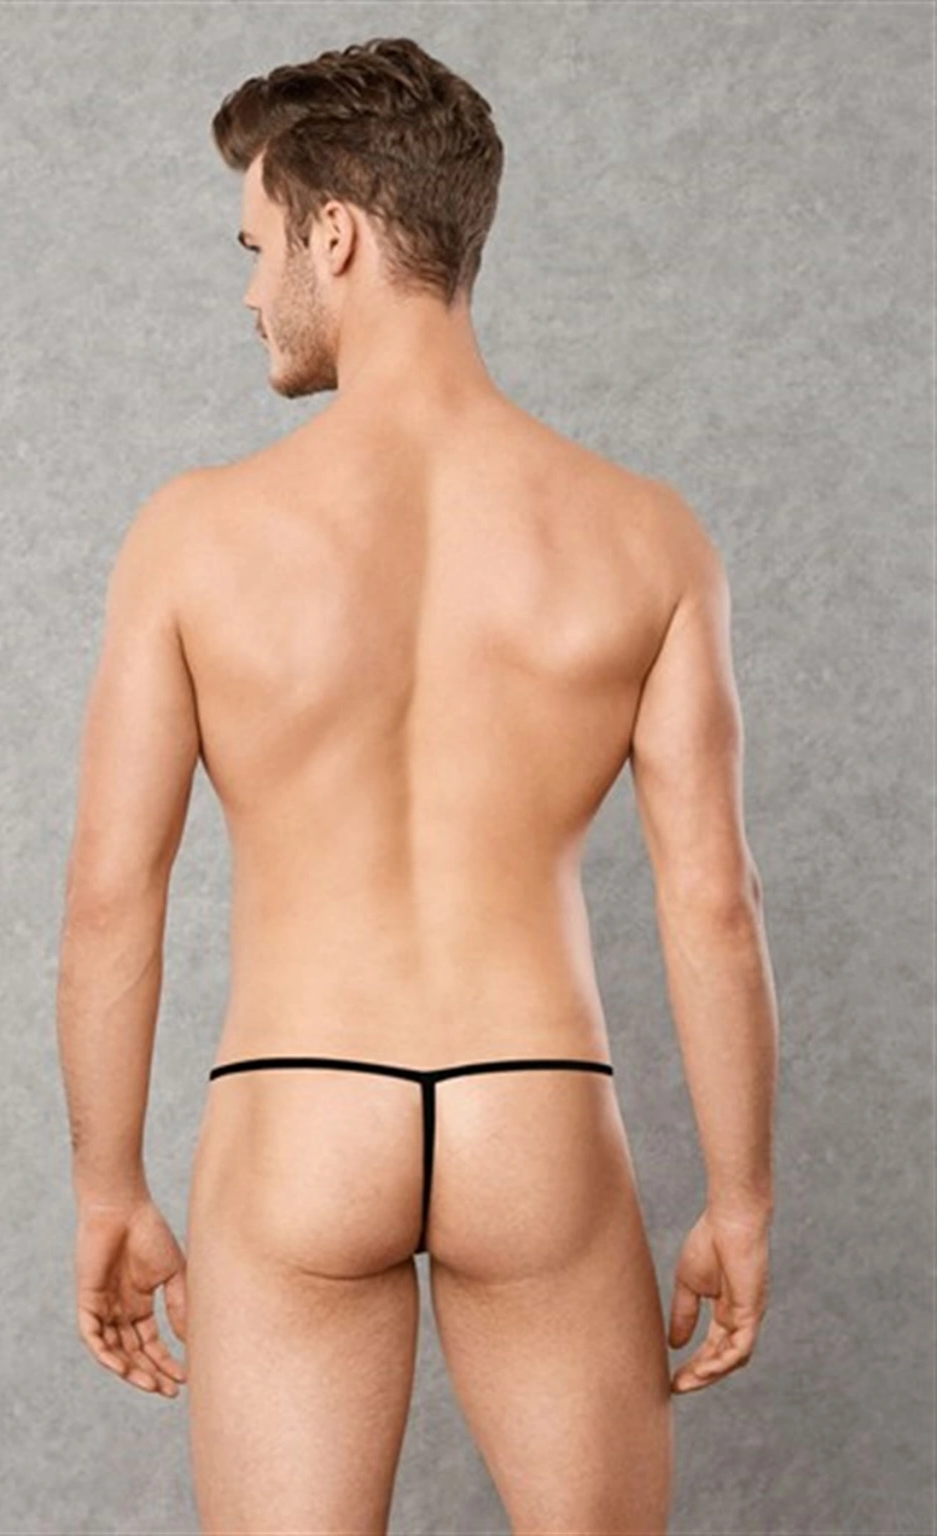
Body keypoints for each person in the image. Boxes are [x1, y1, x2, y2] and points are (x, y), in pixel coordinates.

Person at [56, 35, 778, 1536]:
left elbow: (114, 891)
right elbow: (713, 900)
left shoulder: (195, 538)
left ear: (336, 235)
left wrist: (109, 1188)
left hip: (298, 1107)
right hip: (537, 1114)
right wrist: (741, 1196)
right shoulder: (648, 538)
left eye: (256, 247)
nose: (250, 290)